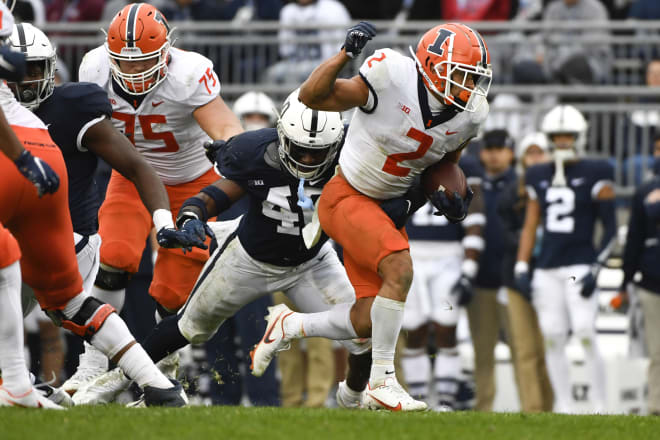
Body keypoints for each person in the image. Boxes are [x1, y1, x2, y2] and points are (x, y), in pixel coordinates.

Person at [75, 90, 373, 408]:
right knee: (190, 326)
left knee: (361, 334)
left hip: (312, 262)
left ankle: (353, 400)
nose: (308, 160)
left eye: (318, 152)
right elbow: (212, 197)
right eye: (300, 150)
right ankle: (119, 379)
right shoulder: (256, 152)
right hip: (249, 258)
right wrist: (191, 216)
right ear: (283, 136)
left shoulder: (352, 159)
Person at [251, 21, 492, 411]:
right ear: (431, 67)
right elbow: (313, 96)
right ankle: (383, 381)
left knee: (366, 320)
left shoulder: (469, 115)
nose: (469, 86)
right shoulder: (391, 74)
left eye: (474, 78)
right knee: (400, 268)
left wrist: (452, 194)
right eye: (461, 75)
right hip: (347, 195)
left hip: (387, 209)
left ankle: (288, 325)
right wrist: (346, 55)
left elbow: (444, 165)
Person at [5, 21, 212, 396]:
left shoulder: (71, 107)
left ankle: (138, 379)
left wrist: (162, 220)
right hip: (13, 234)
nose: (24, 81)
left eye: (34, 68)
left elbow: (137, 166)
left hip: (67, 237)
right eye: (16, 70)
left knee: (75, 307)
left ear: (51, 67)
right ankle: (25, 388)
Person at [69, 2, 243, 395]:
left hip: (190, 183)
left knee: (170, 294)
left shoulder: (189, 74)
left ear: (166, 52)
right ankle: (91, 366)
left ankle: (162, 374)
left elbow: (225, 126)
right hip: (131, 175)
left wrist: (232, 149)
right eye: (123, 62)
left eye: (142, 60)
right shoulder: (94, 67)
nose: (131, 70)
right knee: (112, 259)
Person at [514, 105, 617, 413]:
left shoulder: (598, 171)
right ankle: (565, 404)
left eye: (567, 136)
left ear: (579, 137)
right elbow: (531, 223)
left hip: (579, 264)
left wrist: (596, 268)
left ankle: (600, 403)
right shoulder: (537, 174)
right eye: (557, 136)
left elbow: (611, 227)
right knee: (554, 336)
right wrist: (522, 265)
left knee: (585, 331)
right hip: (547, 267)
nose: (562, 142)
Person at [400, 154, 485, 411]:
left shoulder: (465, 163)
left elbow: (476, 218)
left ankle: (446, 401)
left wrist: (469, 269)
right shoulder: (402, 154)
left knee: (446, 328)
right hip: (409, 250)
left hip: (448, 254)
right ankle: (419, 397)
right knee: (413, 330)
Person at [497, 132, 554, 412]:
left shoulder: (559, 188)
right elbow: (504, 235)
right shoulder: (511, 191)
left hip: (552, 275)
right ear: (522, 158)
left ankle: (553, 406)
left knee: (548, 347)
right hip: (517, 278)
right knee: (525, 348)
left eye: (539, 153)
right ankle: (532, 408)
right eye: (530, 153)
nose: (535, 159)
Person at [468, 129, 518, 412]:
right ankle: (483, 407)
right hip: (483, 280)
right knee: (482, 352)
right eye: (489, 148)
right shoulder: (474, 184)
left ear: (511, 152)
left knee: (523, 351)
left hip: (514, 284)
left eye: (500, 148)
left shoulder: (522, 183)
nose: (494, 154)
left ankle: (533, 406)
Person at [618, 135, 660, 416]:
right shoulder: (645, 189)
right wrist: (625, 280)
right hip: (652, 281)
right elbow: (634, 238)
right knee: (658, 352)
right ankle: (656, 407)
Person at [265, 0, 350, 84]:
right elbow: (285, 50)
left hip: (325, 62)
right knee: (271, 74)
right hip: (295, 62)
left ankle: (296, 98)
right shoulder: (288, 10)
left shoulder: (332, 7)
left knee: (296, 74)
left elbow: (341, 44)